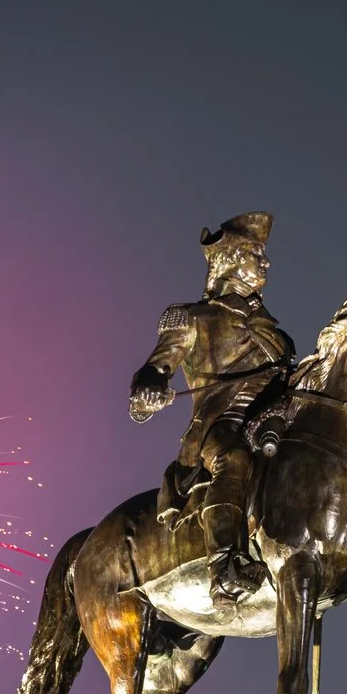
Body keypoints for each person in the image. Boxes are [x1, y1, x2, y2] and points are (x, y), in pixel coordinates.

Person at [128, 212, 295, 606]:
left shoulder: (278, 336)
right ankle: (224, 566)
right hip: (222, 424)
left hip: (275, 421)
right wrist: (148, 390)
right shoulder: (191, 319)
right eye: (256, 254)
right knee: (233, 457)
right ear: (231, 260)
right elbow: (154, 370)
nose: (267, 262)